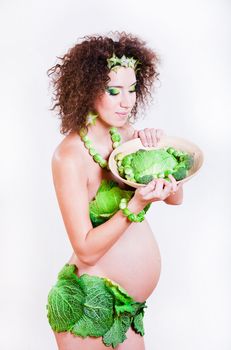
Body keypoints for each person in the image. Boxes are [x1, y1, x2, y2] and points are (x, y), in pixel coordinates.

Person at [46, 32, 183, 350]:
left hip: (127, 310)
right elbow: (86, 250)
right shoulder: (70, 155)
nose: (127, 102)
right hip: (88, 306)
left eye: (133, 89)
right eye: (114, 91)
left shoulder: (128, 136)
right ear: (88, 90)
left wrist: (158, 154)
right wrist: (135, 205)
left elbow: (176, 197)